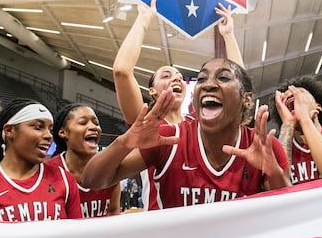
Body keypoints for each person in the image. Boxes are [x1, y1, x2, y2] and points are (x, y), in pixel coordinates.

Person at [83, 58, 290, 209]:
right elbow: (93, 180)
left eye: (223, 78)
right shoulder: (170, 138)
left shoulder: (264, 147)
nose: (208, 84)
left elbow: (289, 212)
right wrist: (125, 141)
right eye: (201, 79)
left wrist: (274, 174)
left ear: (246, 99)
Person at [114, 0, 244, 208]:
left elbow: (238, 88)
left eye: (178, 76)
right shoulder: (146, 122)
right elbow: (121, 71)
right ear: (152, 91)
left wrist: (228, 35)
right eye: (166, 75)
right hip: (162, 230)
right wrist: (144, 19)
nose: (176, 78)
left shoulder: (199, 122)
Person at [0, 99, 82, 222]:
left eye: (50, 130)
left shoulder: (64, 179)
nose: (48, 136)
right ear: (9, 130)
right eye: (38, 127)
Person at [46, 103, 120, 218]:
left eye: (96, 123)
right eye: (83, 122)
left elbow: (114, 211)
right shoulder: (48, 172)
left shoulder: (108, 167)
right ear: (63, 132)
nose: (93, 127)